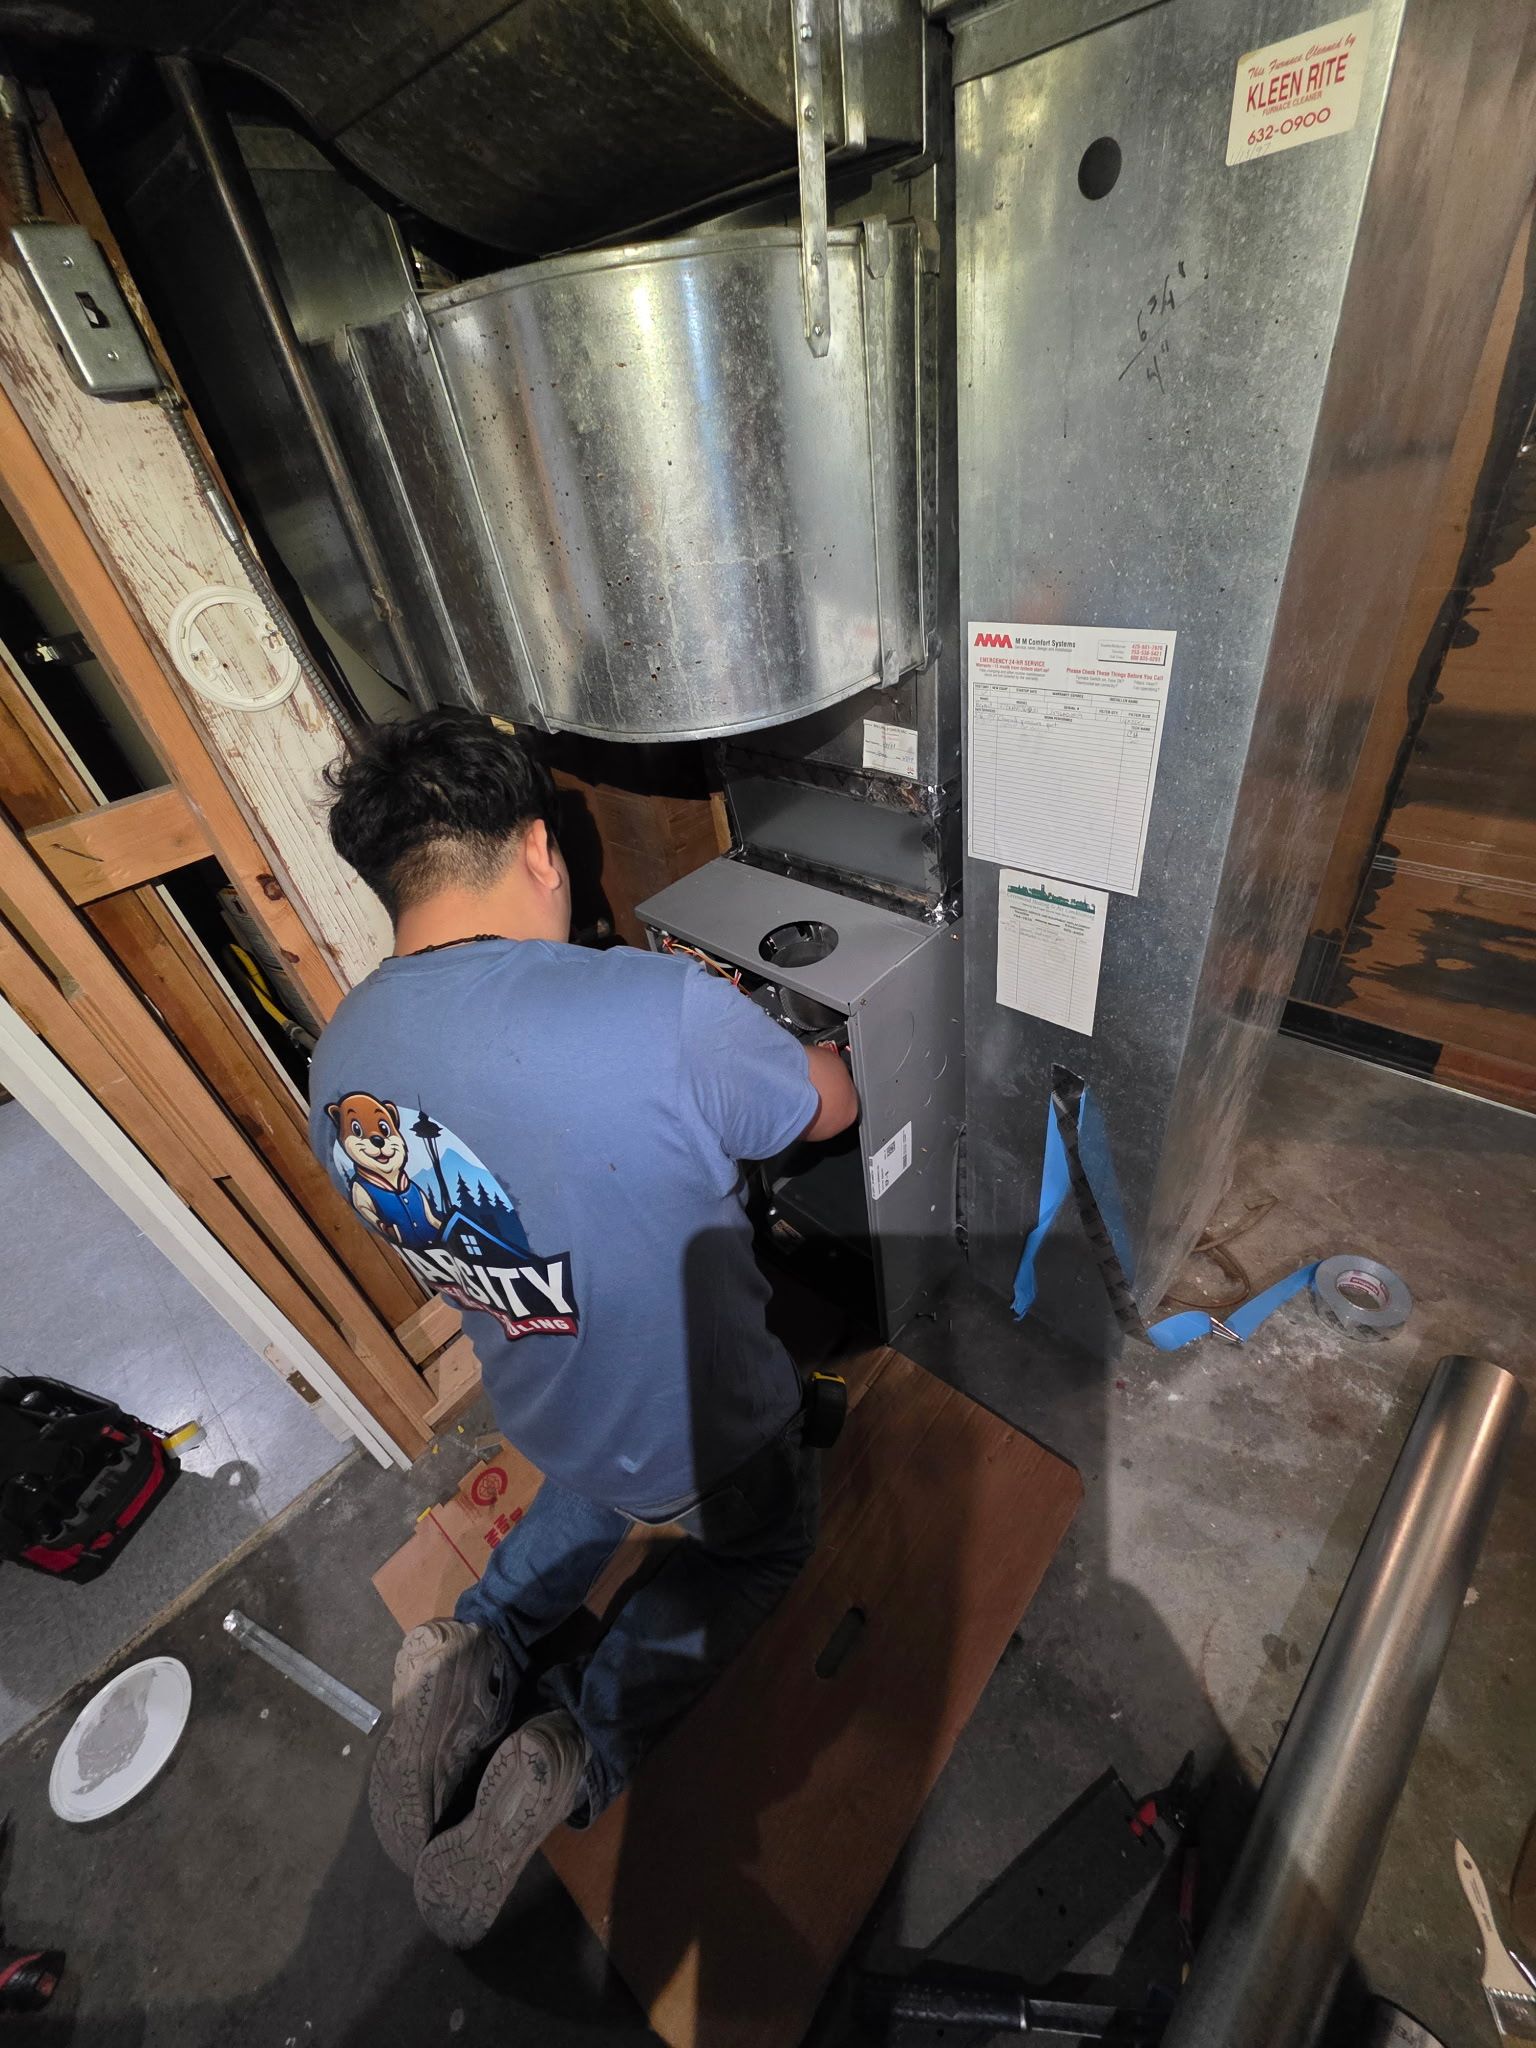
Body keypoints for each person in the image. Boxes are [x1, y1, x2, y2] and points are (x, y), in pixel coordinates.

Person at [308, 708, 858, 1948]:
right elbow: (828, 1107)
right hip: (710, 1425)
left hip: (549, 1401)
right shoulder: (652, 1006)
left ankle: (473, 1647)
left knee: (597, 1485)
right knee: (756, 1548)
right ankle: (578, 1741)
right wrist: (751, 1030)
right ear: (542, 849)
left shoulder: (339, 1062)